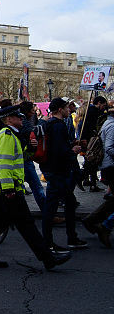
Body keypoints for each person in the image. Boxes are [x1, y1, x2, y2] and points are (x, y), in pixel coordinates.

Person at [0, 106, 71, 270]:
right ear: (9, 120)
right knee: (25, 225)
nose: (22, 119)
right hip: (9, 190)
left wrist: (32, 148)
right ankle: (48, 258)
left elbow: (19, 158)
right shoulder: (7, 136)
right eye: (18, 117)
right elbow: (4, 164)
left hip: (6, 190)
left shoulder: (11, 135)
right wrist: (8, 188)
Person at [40, 98, 87, 252]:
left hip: (53, 170)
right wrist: (72, 150)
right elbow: (59, 152)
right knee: (52, 207)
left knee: (67, 203)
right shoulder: (59, 126)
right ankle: (49, 242)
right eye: (67, 107)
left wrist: (73, 144)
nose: (69, 110)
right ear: (60, 109)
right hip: (58, 171)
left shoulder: (49, 124)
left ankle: (70, 237)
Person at [82, 107, 114, 246]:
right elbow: (109, 147)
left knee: (112, 201)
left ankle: (93, 220)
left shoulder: (108, 123)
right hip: (111, 166)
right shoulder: (112, 126)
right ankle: (105, 225)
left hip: (108, 166)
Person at [79, 96, 108, 190]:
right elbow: (92, 127)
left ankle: (89, 181)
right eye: (103, 105)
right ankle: (82, 178)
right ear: (99, 103)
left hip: (89, 140)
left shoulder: (90, 111)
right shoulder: (93, 112)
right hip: (91, 141)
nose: (104, 107)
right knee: (91, 162)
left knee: (90, 161)